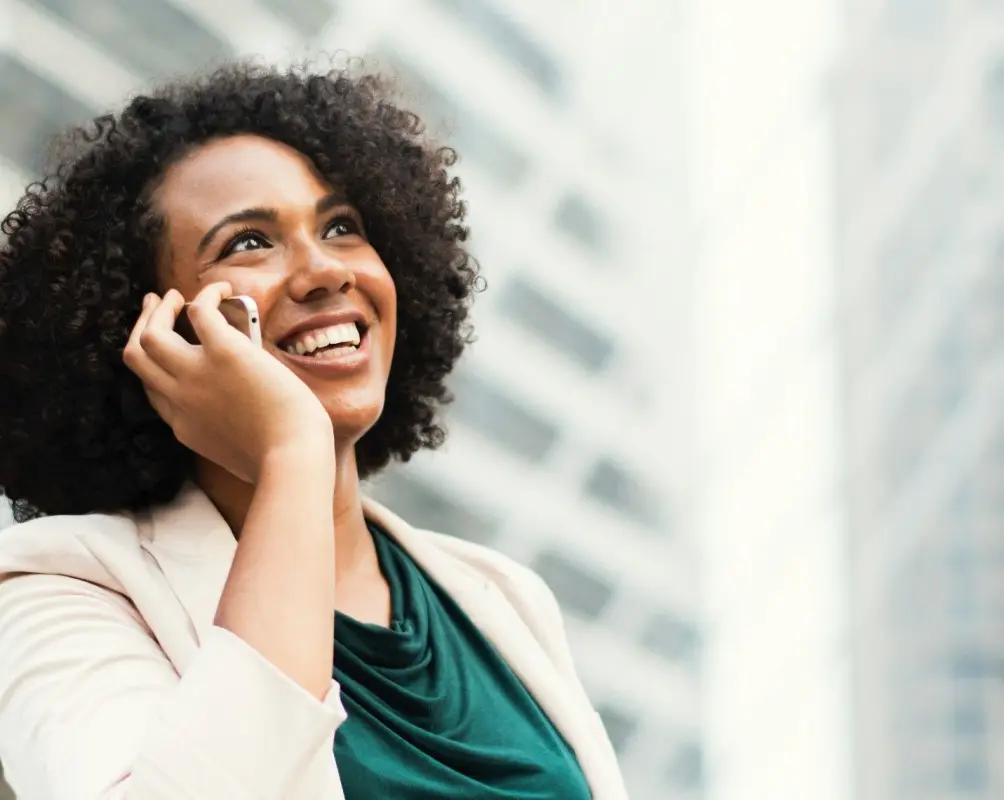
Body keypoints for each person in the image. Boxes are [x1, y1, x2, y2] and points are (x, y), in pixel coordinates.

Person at [0, 61, 627, 799]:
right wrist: (289, 454)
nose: (324, 270)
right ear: (151, 327)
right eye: (247, 244)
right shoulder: (52, 592)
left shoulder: (501, 596)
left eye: (341, 227)